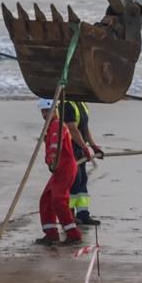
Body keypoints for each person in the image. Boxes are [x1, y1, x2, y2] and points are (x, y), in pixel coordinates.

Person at [35, 98, 83, 246]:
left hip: (64, 168)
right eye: (43, 111)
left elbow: (55, 146)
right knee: (47, 199)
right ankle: (51, 234)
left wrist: (52, 161)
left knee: (58, 201)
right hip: (60, 169)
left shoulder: (56, 125)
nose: (44, 114)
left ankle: (73, 235)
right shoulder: (51, 125)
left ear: (54, 109)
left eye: (47, 111)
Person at [62, 98, 104, 226]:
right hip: (70, 149)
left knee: (82, 182)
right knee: (73, 182)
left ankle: (83, 215)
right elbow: (73, 129)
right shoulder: (67, 105)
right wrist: (85, 148)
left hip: (80, 148)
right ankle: (70, 215)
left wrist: (93, 146)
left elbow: (85, 128)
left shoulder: (82, 104)